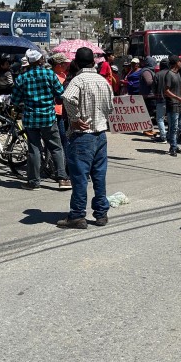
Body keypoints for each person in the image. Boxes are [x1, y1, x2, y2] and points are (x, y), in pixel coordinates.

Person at [57, 47, 114, 229]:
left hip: (82, 136)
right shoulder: (103, 81)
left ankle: (77, 215)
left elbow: (67, 98)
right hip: (100, 135)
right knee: (99, 176)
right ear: (93, 62)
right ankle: (101, 214)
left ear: (76, 63)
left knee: (80, 177)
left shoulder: (78, 80)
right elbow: (111, 106)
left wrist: (74, 119)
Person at [13, 48, 71, 190]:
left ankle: (34, 182)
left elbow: (15, 100)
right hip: (49, 118)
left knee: (34, 149)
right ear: (40, 60)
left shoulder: (22, 78)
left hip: (31, 119)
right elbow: (60, 94)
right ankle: (62, 179)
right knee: (56, 148)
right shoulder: (49, 74)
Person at [163, 55, 181, 157]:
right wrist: (178, 98)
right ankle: (173, 147)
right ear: (176, 63)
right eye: (180, 62)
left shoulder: (178, 74)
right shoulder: (169, 74)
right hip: (173, 105)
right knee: (174, 127)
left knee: (179, 127)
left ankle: (175, 145)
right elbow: (166, 91)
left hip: (180, 105)